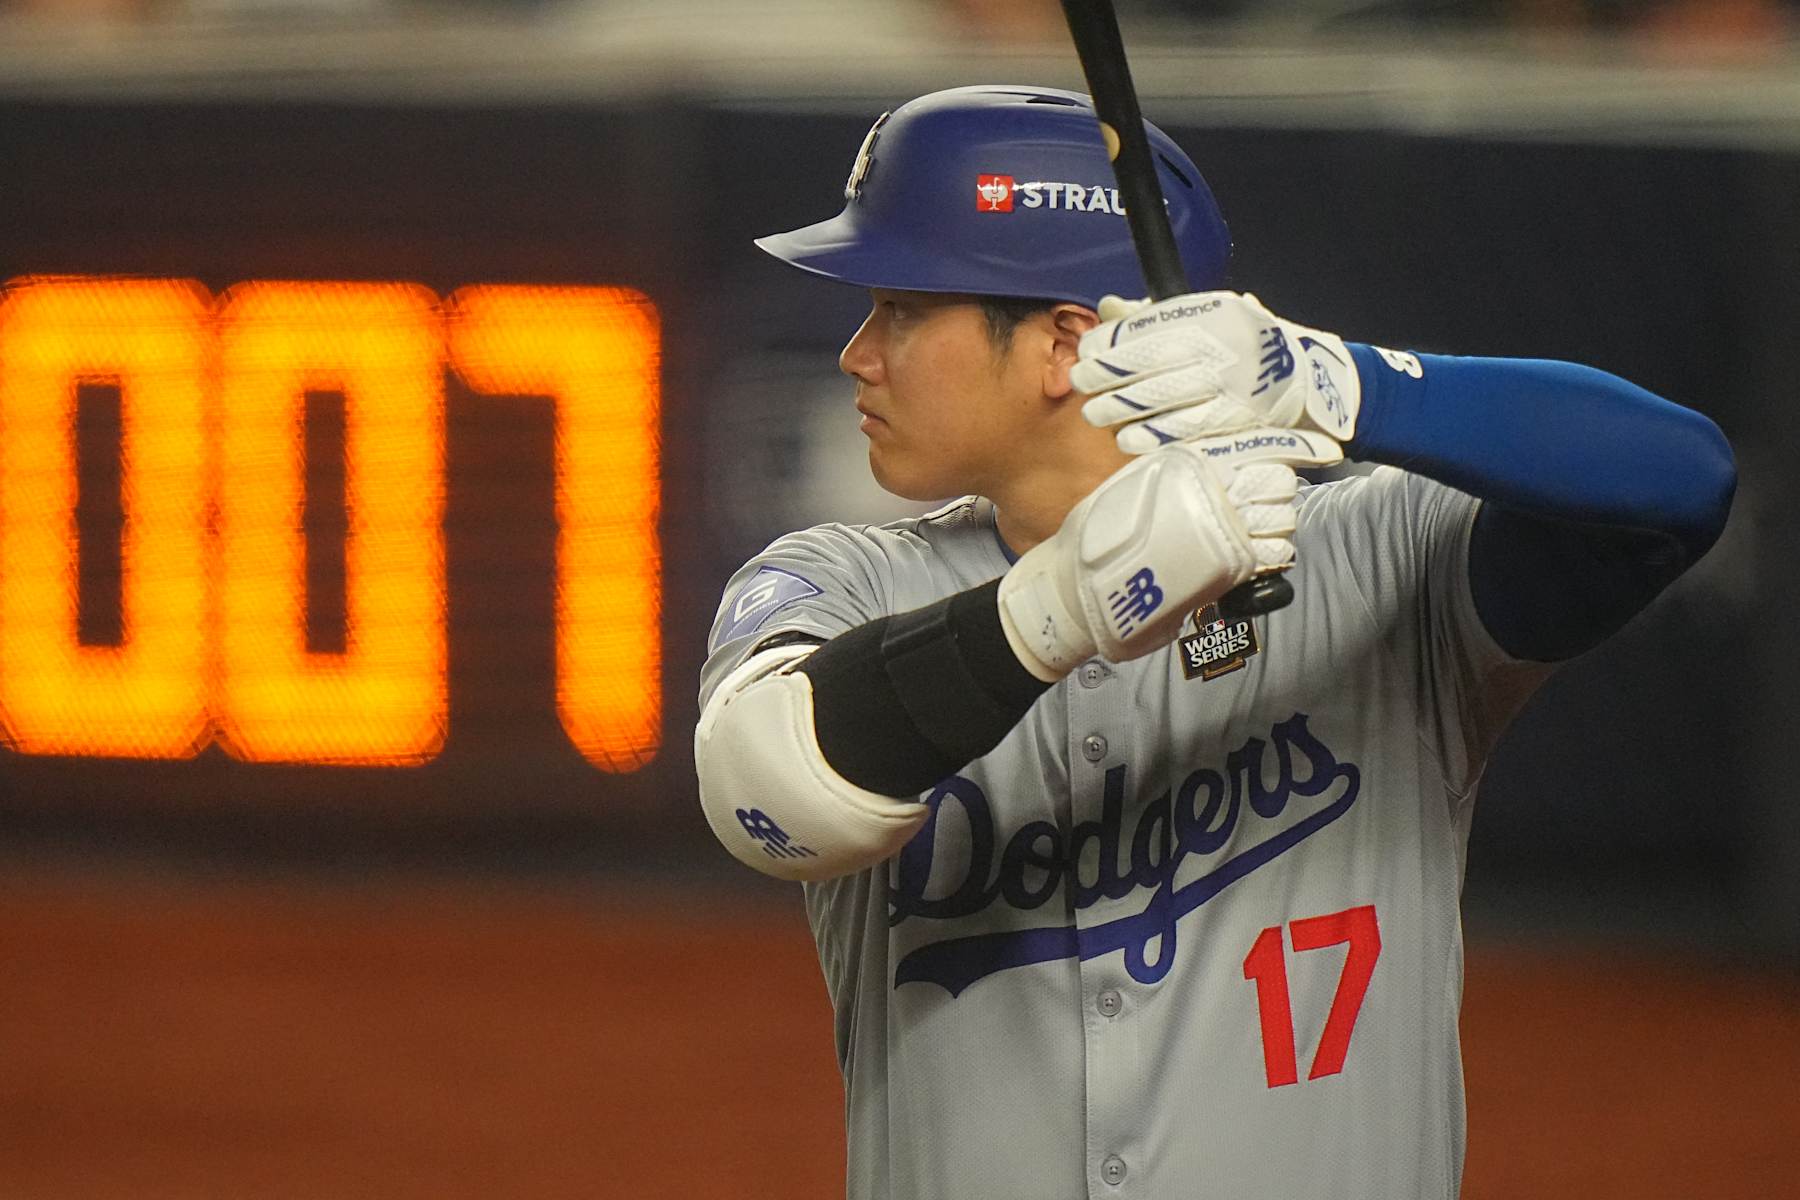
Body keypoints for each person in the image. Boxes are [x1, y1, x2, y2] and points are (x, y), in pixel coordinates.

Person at [694, 85, 1735, 1199]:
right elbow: (767, 785)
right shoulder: (839, 583)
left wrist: (1340, 382)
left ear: (1063, 344)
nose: (857, 353)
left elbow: (1681, 485)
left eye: (900, 307)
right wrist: (1059, 609)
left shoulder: (1372, 555)